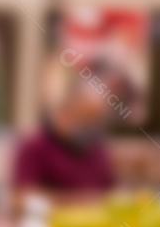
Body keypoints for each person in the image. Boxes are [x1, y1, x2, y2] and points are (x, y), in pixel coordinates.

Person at [13, 59, 120, 203]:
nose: (92, 125)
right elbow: (21, 199)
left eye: (97, 119)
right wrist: (80, 201)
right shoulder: (34, 146)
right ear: (67, 112)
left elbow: (110, 195)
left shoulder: (97, 149)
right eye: (87, 117)